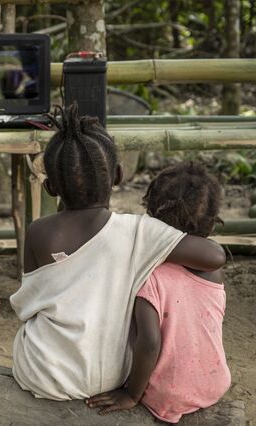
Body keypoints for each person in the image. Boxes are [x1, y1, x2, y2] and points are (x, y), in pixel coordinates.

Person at [9, 104, 226, 401]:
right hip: (111, 377)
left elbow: (27, 307)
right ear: (118, 175)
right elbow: (214, 256)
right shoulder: (139, 232)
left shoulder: (38, 232)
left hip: (43, 375)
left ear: (49, 188)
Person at [86, 162, 231, 423]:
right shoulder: (214, 272)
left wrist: (131, 394)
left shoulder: (150, 276)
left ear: (151, 218)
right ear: (212, 224)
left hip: (168, 394)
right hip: (215, 382)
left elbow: (149, 343)